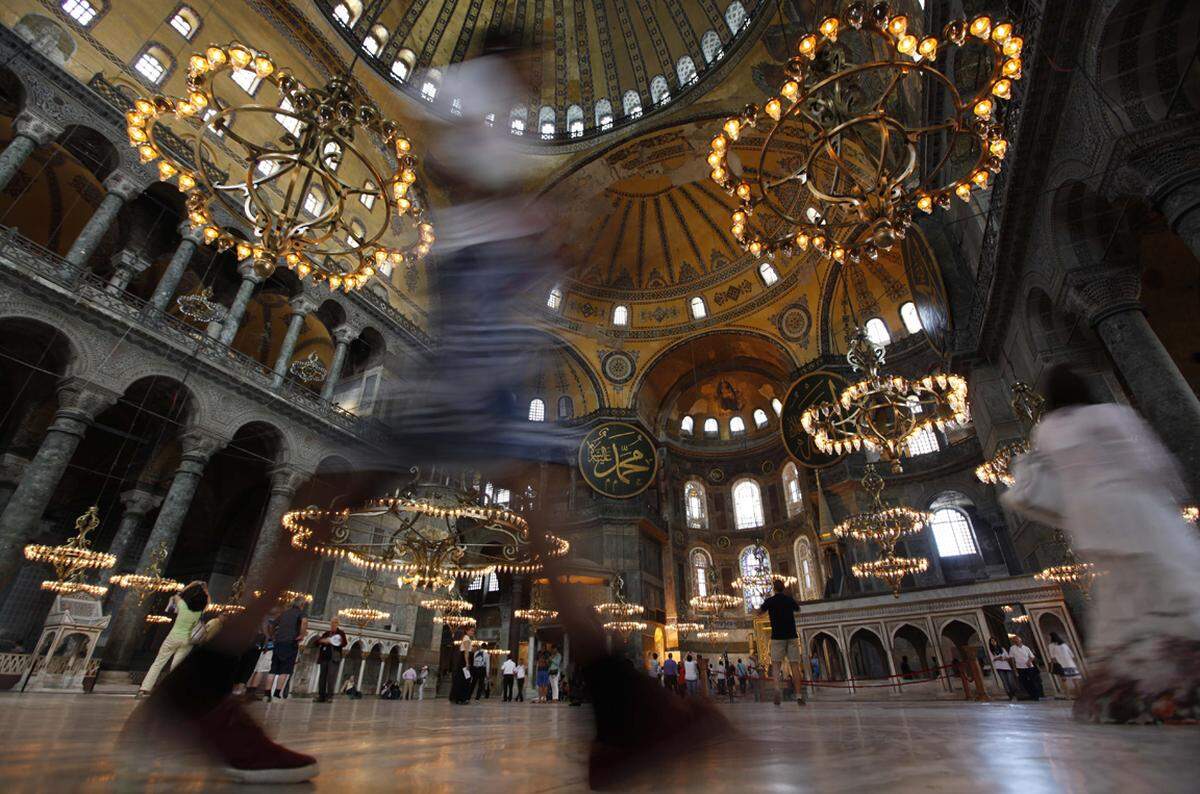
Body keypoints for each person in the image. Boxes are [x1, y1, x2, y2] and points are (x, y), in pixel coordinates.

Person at [1003, 364, 1200, 723]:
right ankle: (1178, 682)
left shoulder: (1046, 429)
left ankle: (1133, 693)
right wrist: (1174, 495)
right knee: (1172, 577)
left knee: (1123, 589)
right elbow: (1149, 461)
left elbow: (1046, 477)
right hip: (1130, 504)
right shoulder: (1110, 414)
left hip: (1090, 518)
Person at [139, 581, 209, 696]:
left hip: (173, 638)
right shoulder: (200, 613)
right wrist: (205, 589)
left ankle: (145, 688)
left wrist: (191, 585)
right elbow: (207, 601)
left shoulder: (183, 607)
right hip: (187, 641)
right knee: (176, 669)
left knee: (158, 662)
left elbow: (177, 595)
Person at [758, 579, 805, 706]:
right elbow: (798, 609)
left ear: (774, 588)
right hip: (791, 635)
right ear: (784, 588)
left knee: (776, 666)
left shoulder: (770, 601)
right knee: (794, 666)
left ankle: (777, 690)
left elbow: (759, 612)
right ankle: (799, 696)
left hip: (777, 636)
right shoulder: (789, 599)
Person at [266, 596, 307, 702]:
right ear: (301, 605)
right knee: (285, 670)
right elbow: (304, 622)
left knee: (273, 669)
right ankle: (276, 695)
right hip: (290, 642)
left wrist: (272, 636)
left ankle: (266, 695)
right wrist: (301, 635)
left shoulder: (284, 613)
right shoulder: (301, 613)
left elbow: (272, 625)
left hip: (278, 642)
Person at [314, 618, 347, 703]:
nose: (333, 624)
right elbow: (317, 643)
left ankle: (329, 696)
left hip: (334, 658)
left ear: (337, 624)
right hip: (324, 657)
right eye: (332, 623)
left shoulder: (340, 633)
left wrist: (338, 642)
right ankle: (321, 696)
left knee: (331, 677)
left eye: (335, 623)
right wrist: (322, 640)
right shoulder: (326, 633)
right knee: (322, 677)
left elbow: (344, 643)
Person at [1048, 633, 1083, 699]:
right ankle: (1080, 695)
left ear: (1051, 637)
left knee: (1064, 681)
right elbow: (1072, 655)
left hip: (1061, 665)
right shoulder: (1064, 644)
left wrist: (1053, 664)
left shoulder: (1051, 645)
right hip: (1071, 664)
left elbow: (1052, 657)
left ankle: (1068, 696)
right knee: (1075, 680)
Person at [1008, 636, 1041, 701]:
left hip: (1029, 667)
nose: (1016, 642)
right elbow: (1012, 659)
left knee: (1033, 681)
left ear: (1020, 641)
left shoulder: (1026, 648)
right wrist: (1014, 669)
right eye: (1015, 641)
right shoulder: (1012, 648)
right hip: (1020, 668)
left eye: (1017, 641)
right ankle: (1031, 695)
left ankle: (1036, 696)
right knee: (1024, 682)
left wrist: (1029, 661)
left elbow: (1032, 657)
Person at [450, 629, 475, 705]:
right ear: (466, 631)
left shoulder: (466, 638)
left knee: (461, 678)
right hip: (465, 661)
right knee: (465, 679)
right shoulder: (467, 638)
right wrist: (467, 663)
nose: (473, 632)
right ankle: (462, 698)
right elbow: (466, 652)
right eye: (471, 630)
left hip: (463, 660)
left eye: (473, 631)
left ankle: (458, 698)